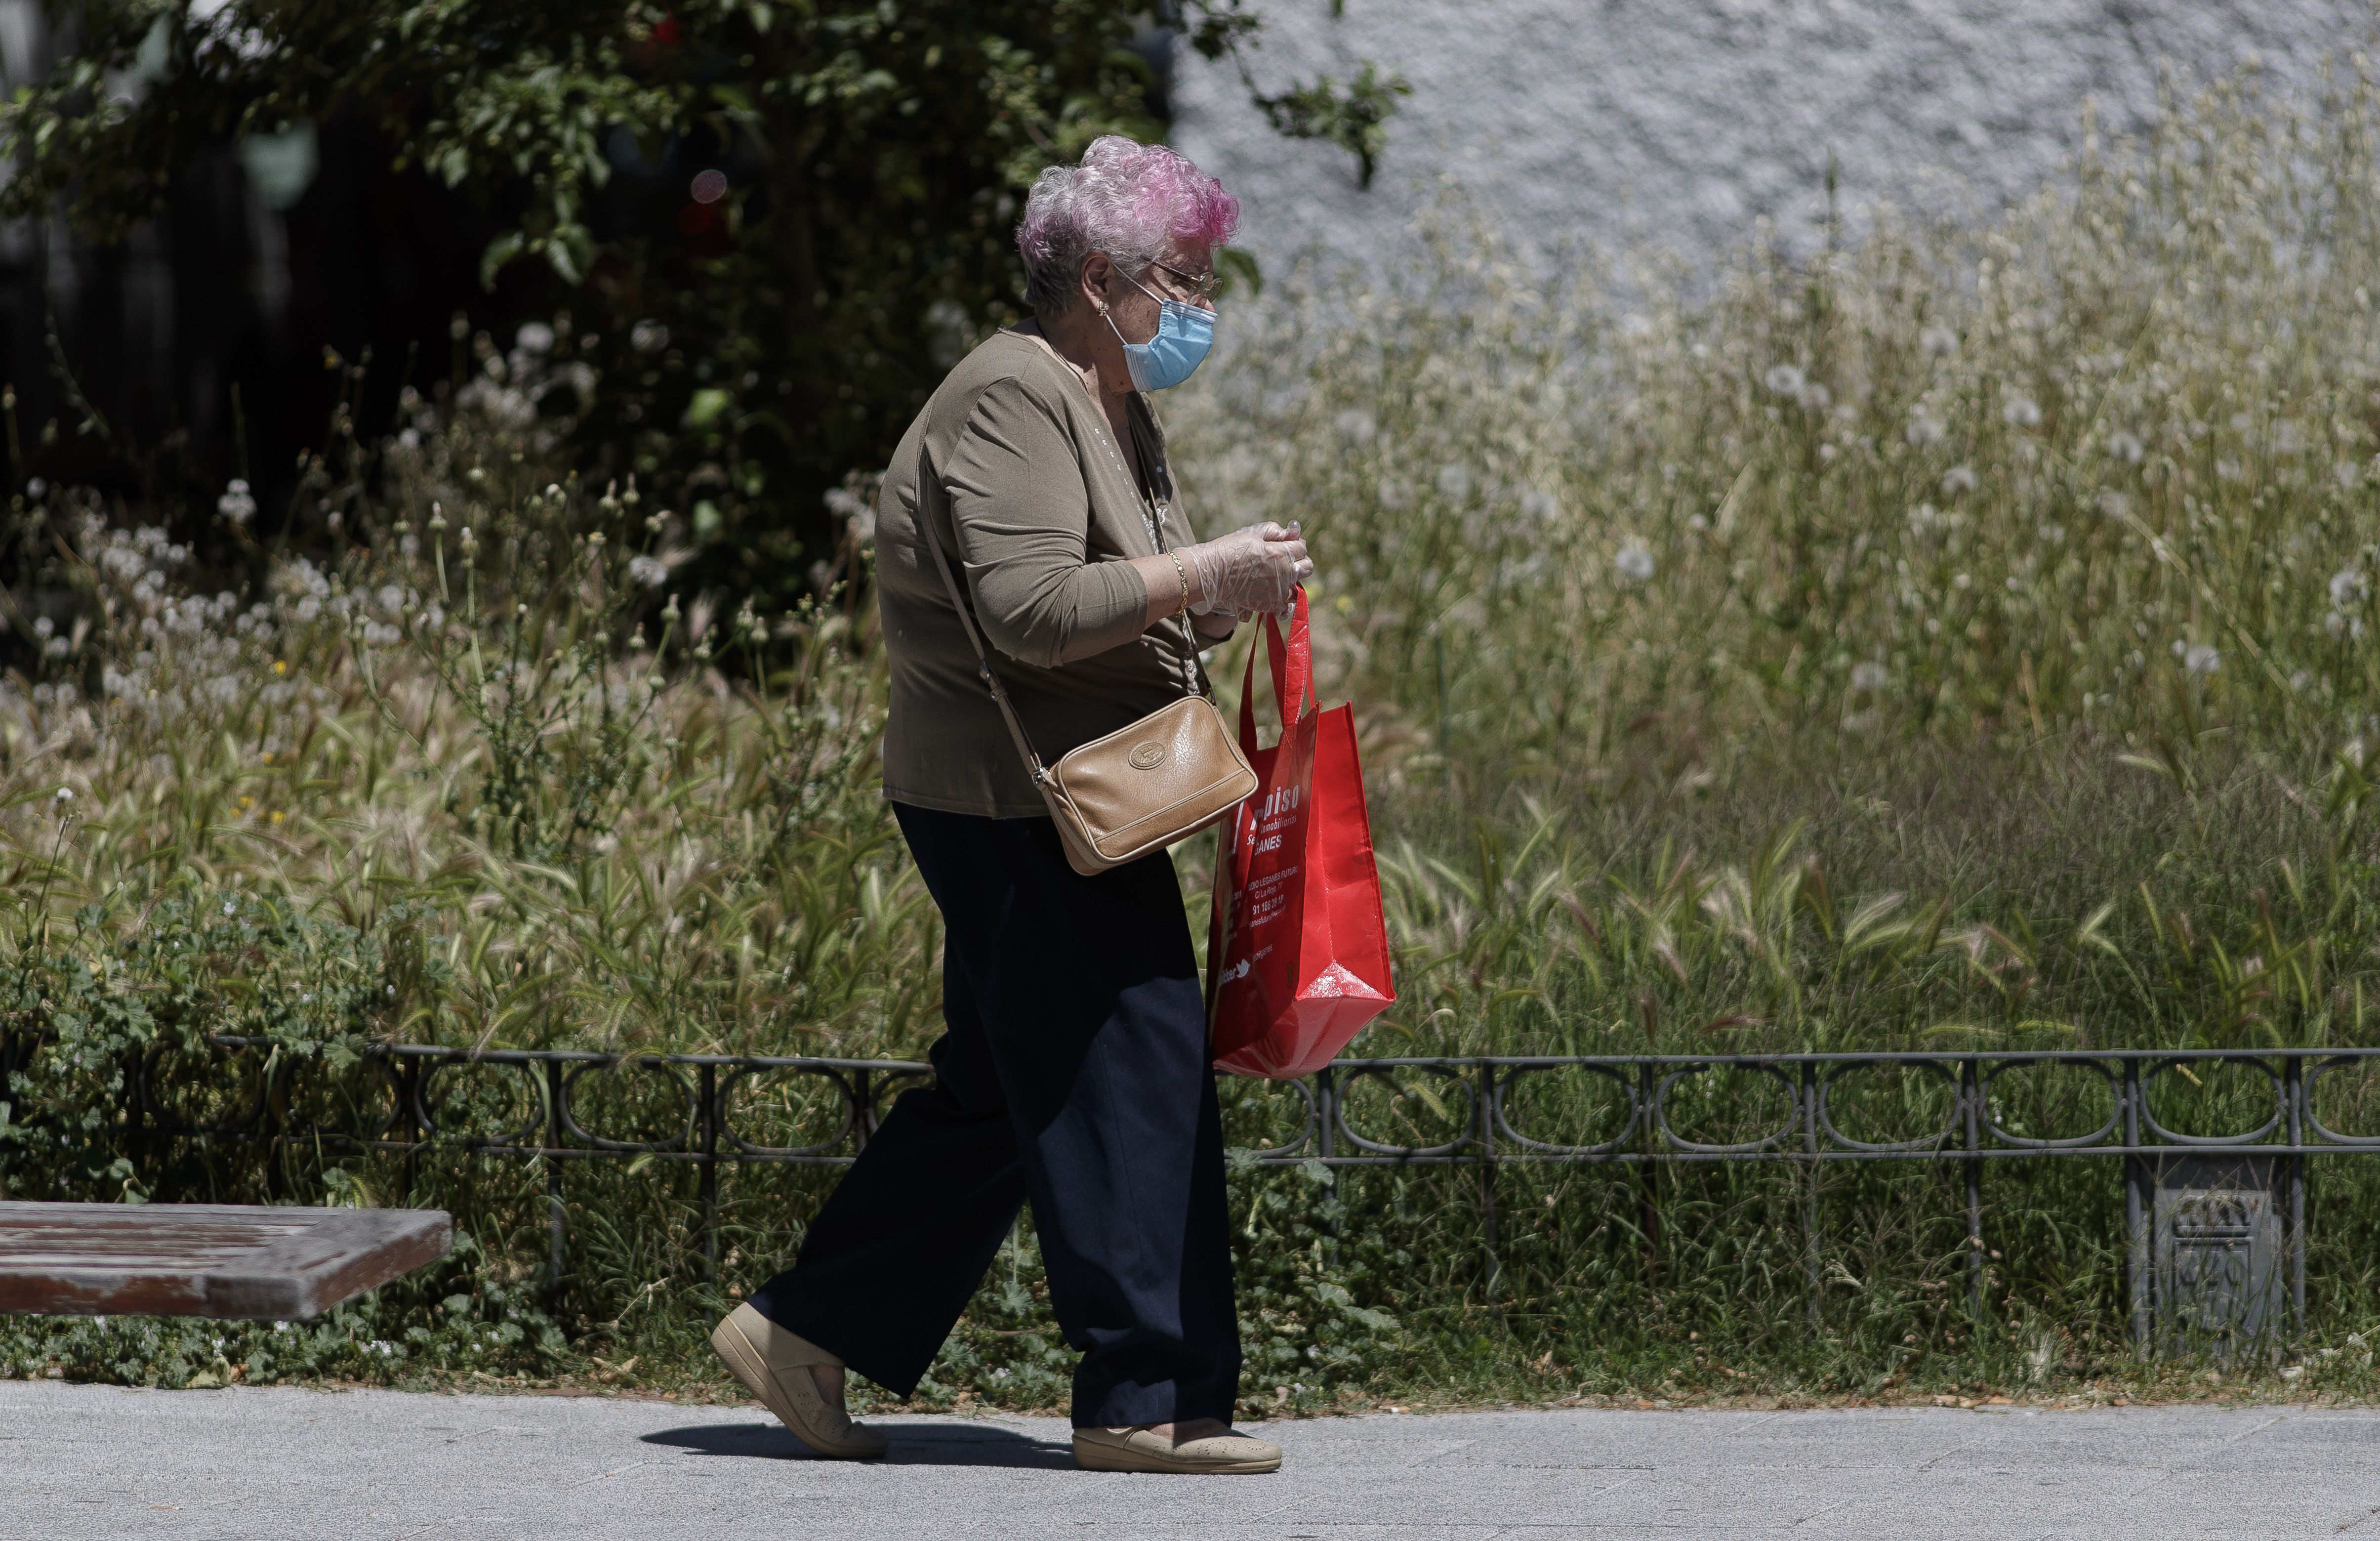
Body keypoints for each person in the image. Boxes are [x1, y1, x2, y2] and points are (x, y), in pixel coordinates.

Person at [708, 136, 1311, 1475]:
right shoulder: (1012, 394)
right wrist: (1203, 565)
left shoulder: (1103, 397)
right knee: (1132, 1075)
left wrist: (1211, 595)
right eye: (1184, 275)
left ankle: (801, 1328)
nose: (1202, 301)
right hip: (1017, 802)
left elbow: (1109, 597)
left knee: (998, 1092)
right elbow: (1032, 611)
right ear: (1100, 278)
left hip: (1054, 791)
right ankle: (1140, 1402)